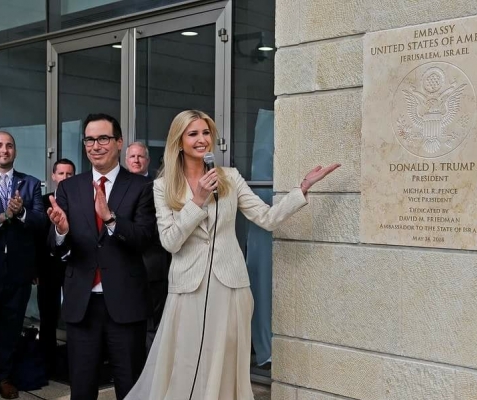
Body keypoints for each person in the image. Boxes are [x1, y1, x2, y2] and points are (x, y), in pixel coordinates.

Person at [125, 110, 340, 400]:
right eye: (193, 134)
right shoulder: (163, 186)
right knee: (186, 360)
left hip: (230, 285)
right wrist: (197, 201)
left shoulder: (230, 177)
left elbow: (267, 218)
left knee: (226, 360)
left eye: (206, 133)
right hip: (188, 287)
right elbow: (170, 242)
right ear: (178, 141)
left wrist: (301, 190)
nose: (202, 139)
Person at [46, 113, 155, 400]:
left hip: (125, 302)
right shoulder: (70, 187)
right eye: (90, 140)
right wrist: (61, 231)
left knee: (130, 387)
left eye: (103, 138)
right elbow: (55, 247)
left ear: (119, 142)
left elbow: (144, 238)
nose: (96, 146)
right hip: (81, 302)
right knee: (82, 388)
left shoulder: (141, 186)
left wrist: (110, 219)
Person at [0, 131, 45, 399]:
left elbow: (40, 221)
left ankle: (3, 376)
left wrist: (22, 213)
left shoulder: (30, 183)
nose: (4, 150)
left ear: (15, 151)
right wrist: (4, 216)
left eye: (9, 145)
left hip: (18, 269)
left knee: (11, 326)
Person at [125, 142, 171, 352]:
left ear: (148, 160)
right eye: (132, 156)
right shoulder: (117, 187)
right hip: (123, 265)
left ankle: (151, 367)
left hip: (152, 264)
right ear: (126, 160)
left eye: (140, 156)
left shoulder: (159, 187)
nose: (136, 160)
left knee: (153, 322)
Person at [37, 158, 75, 378]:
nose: (64, 178)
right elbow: (36, 236)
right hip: (47, 267)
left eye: (69, 174)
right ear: (53, 176)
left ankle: (72, 362)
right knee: (48, 316)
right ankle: (47, 364)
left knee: (75, 315)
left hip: (73, 266)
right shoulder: (42, 201)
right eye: (61, 174)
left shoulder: (79, 201)